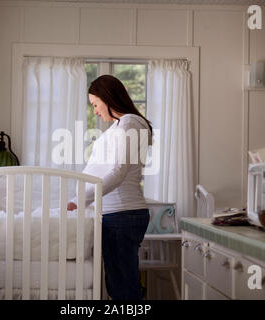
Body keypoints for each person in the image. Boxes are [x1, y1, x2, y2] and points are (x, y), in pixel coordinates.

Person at [67, 75, 153, 300]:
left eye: (95, 104)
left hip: (123, 214)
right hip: (115, 214)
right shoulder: (120, 126)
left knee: (123, 287)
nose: (94, 111)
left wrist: (80, 199)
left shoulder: (130, 123)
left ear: (107, 98)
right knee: (117, 285)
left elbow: (118, 172)